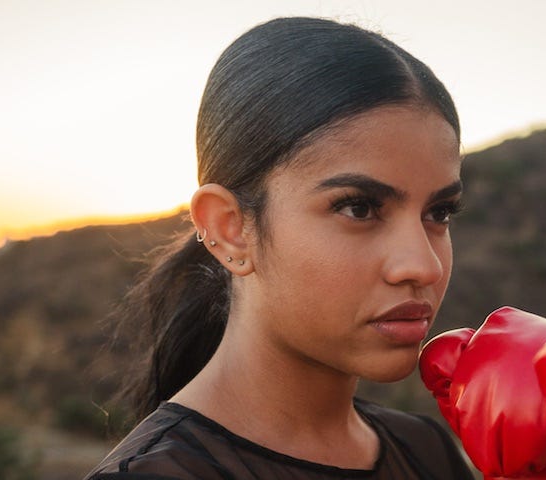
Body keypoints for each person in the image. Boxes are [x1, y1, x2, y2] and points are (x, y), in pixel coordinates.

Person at [86, 16, 475, 480]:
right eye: (358, 208)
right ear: (230, 229)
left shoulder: (427, 450)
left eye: (439, 213)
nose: (424, 266)